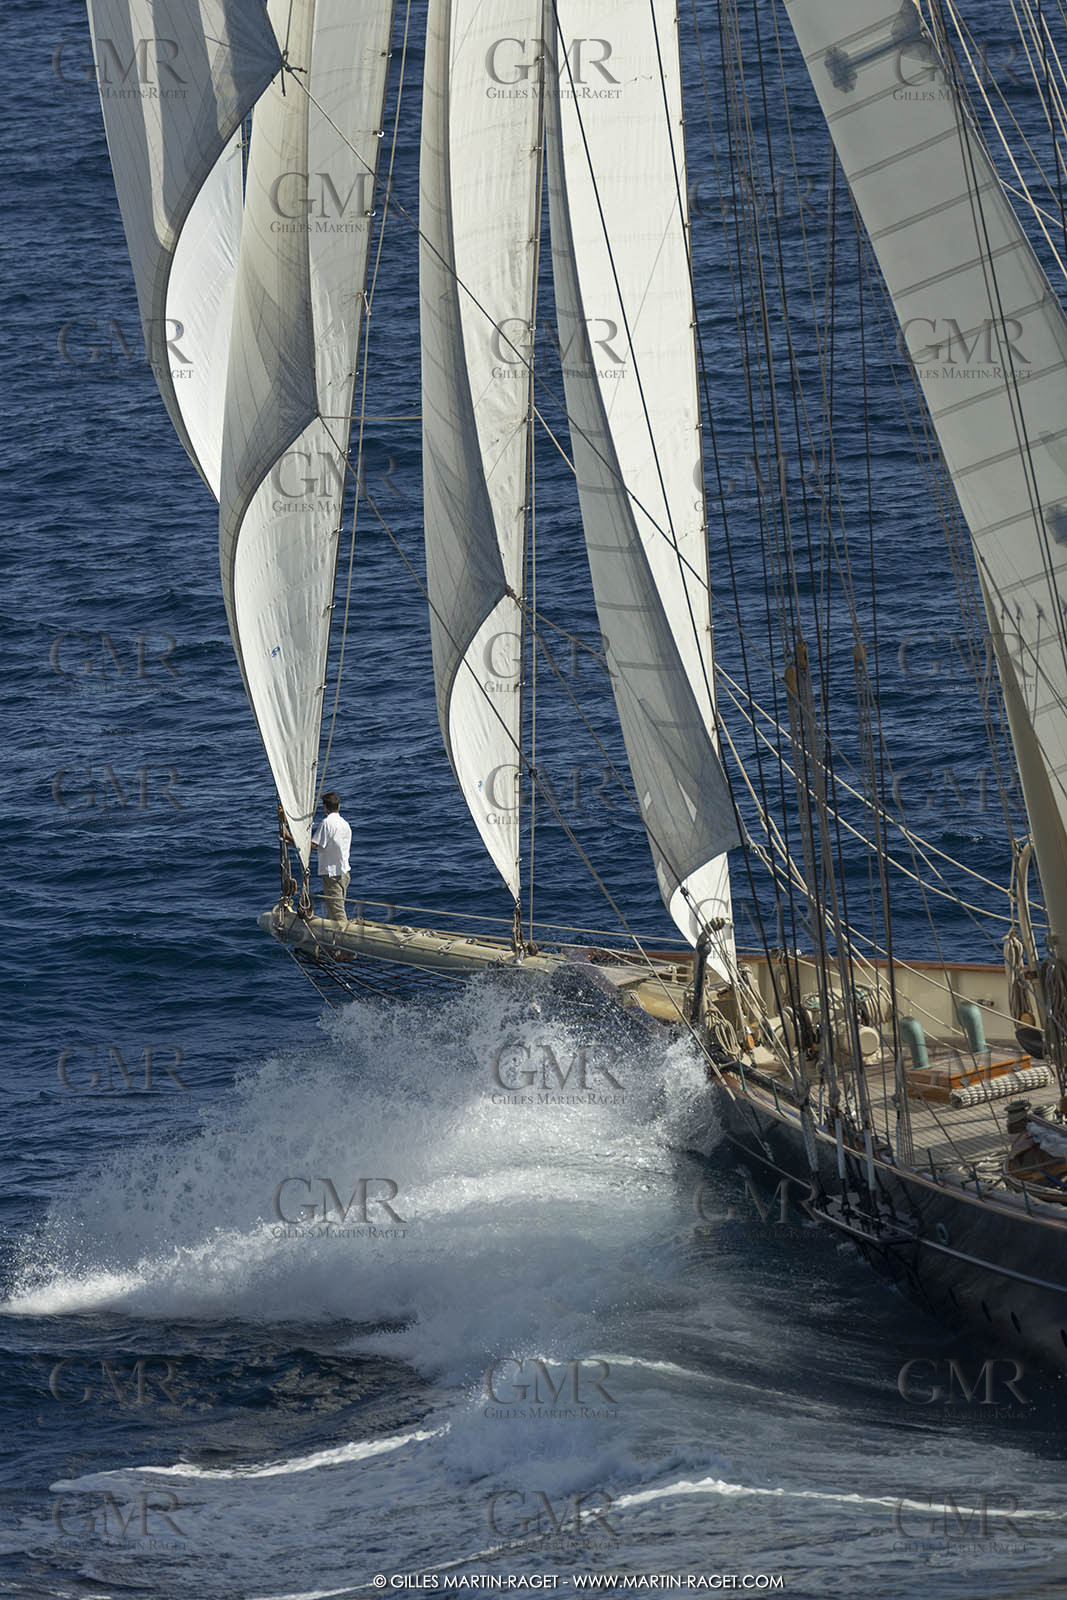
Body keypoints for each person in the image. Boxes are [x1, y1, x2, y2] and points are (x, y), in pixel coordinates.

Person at [311, 792, 351, 923]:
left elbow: (313, 845)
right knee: (335, 909)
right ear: (338, 806)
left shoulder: (326, 823)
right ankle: (334, 935)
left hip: (332, 874)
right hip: (344, 873)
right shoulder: (345, 824)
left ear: (325, 807)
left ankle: (347, 937)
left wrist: (291, 840)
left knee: (338, 912)